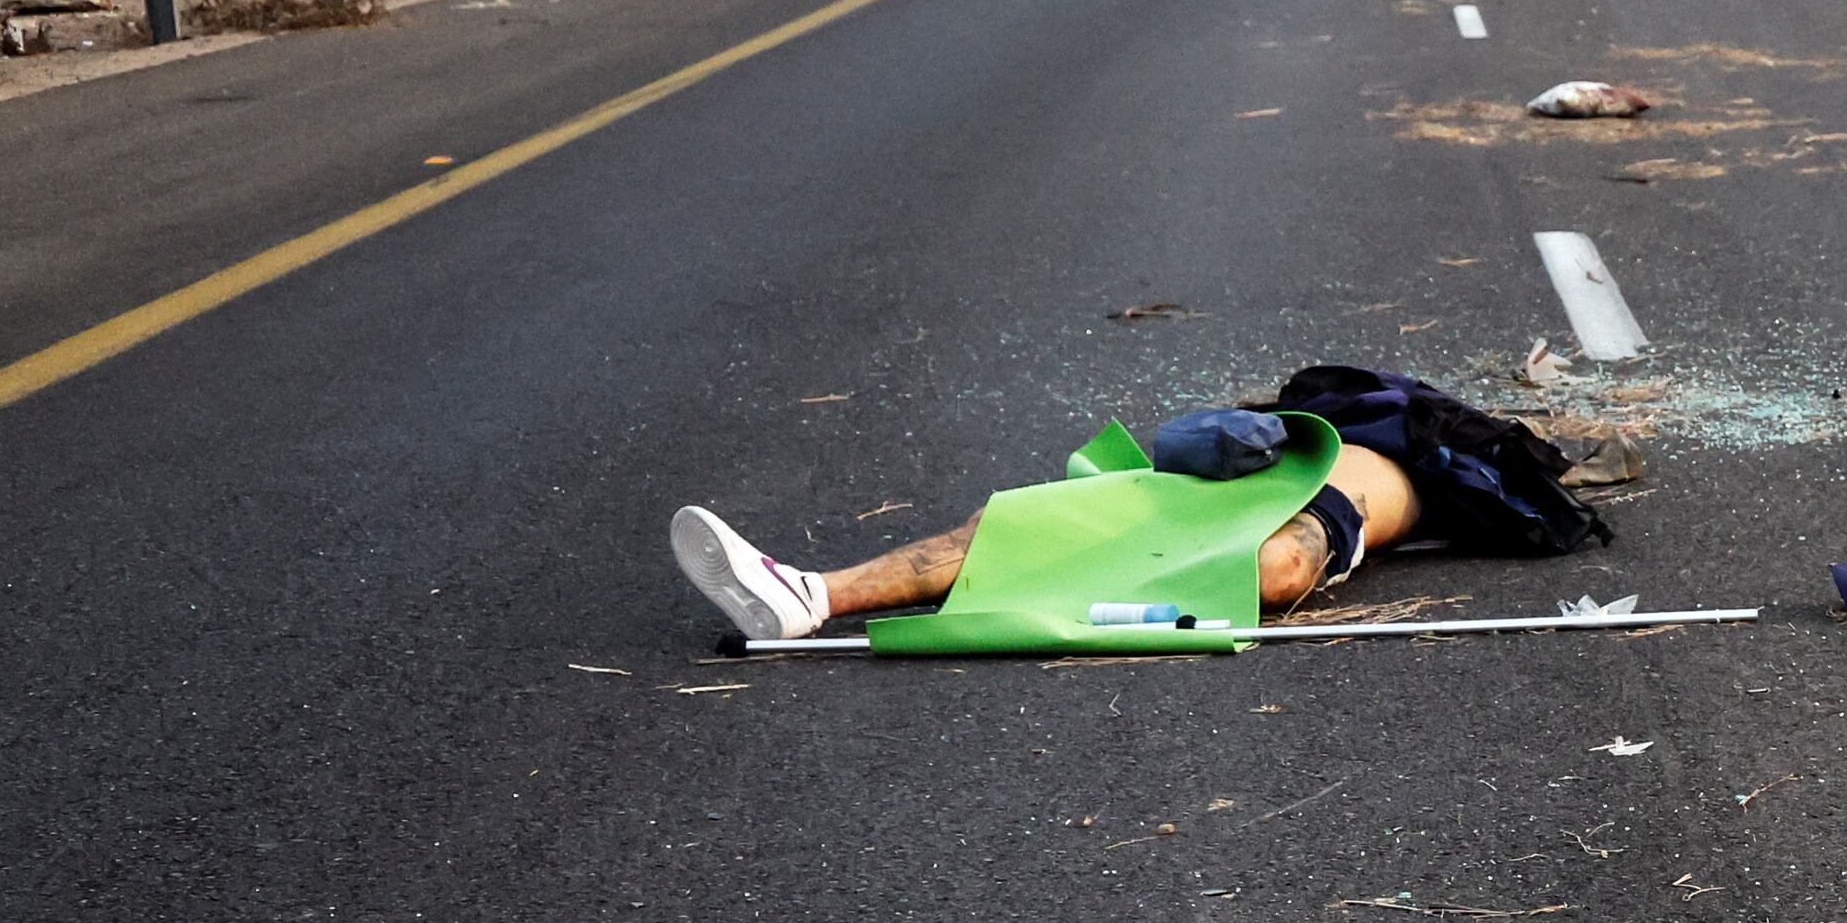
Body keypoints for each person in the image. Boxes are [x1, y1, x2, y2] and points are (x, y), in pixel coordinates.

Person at [665, 362, 1605, 641]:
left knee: (1277, 568)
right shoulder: (1350, 424)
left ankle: (817, 595)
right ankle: (811, 593)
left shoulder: (1398, 455)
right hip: (1238, 483)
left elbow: (1285, 567)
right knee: (1034, 520)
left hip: (1333, 497)